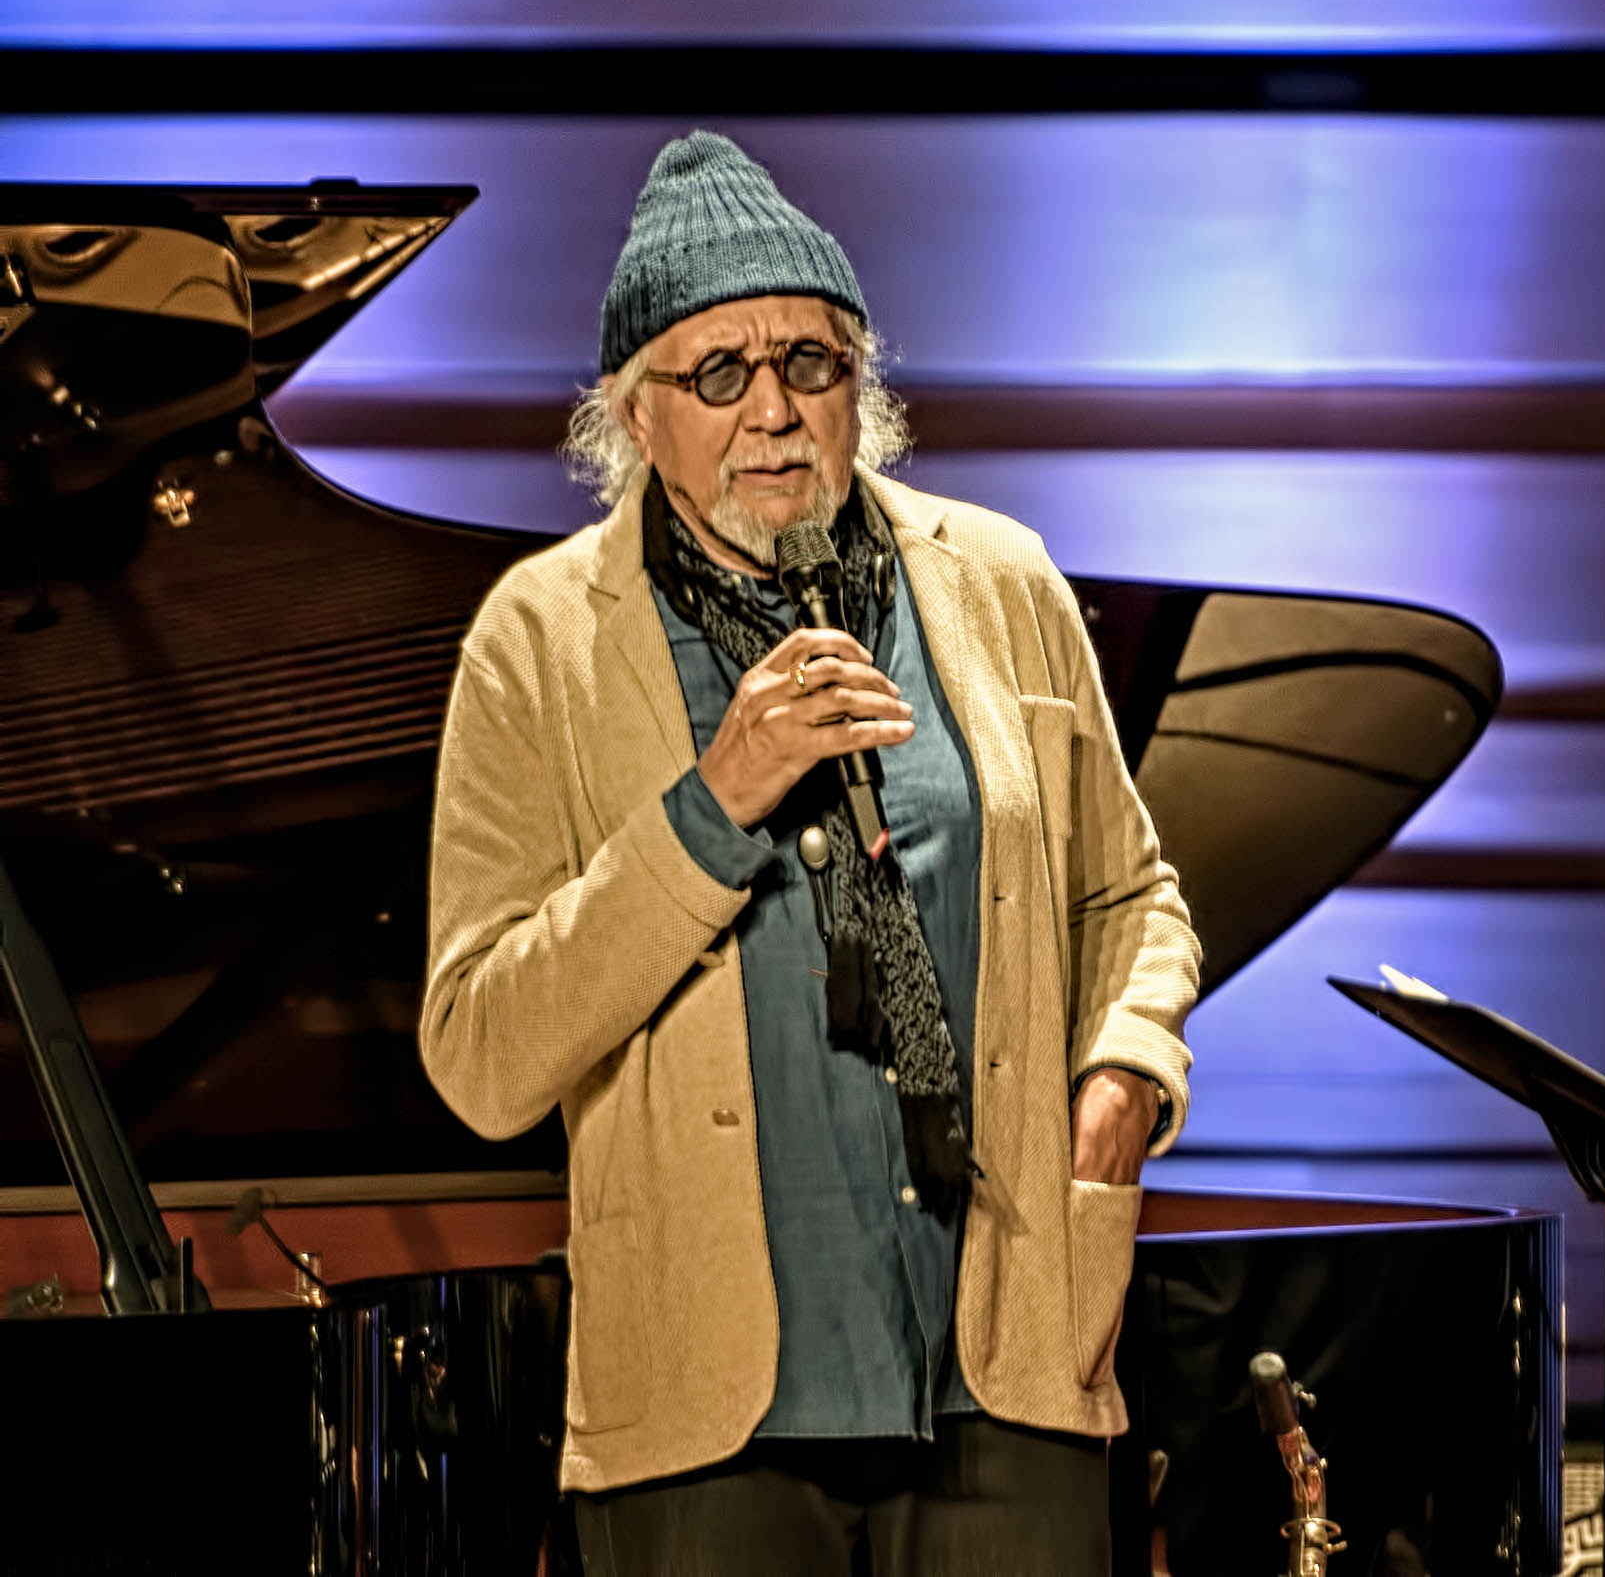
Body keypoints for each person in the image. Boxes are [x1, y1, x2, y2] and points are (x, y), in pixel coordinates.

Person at [420, 130, 1201, 1576]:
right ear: (633, 415)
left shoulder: (999, 578)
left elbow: (1129, 892)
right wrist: (712, 807)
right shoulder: (536, 640)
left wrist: (1126, 1074)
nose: (771, 410)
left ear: (862, 386)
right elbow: (479, 1055)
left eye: (811, 362)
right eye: (717, 372)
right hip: (708, 1417)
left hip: (1002, 1366)